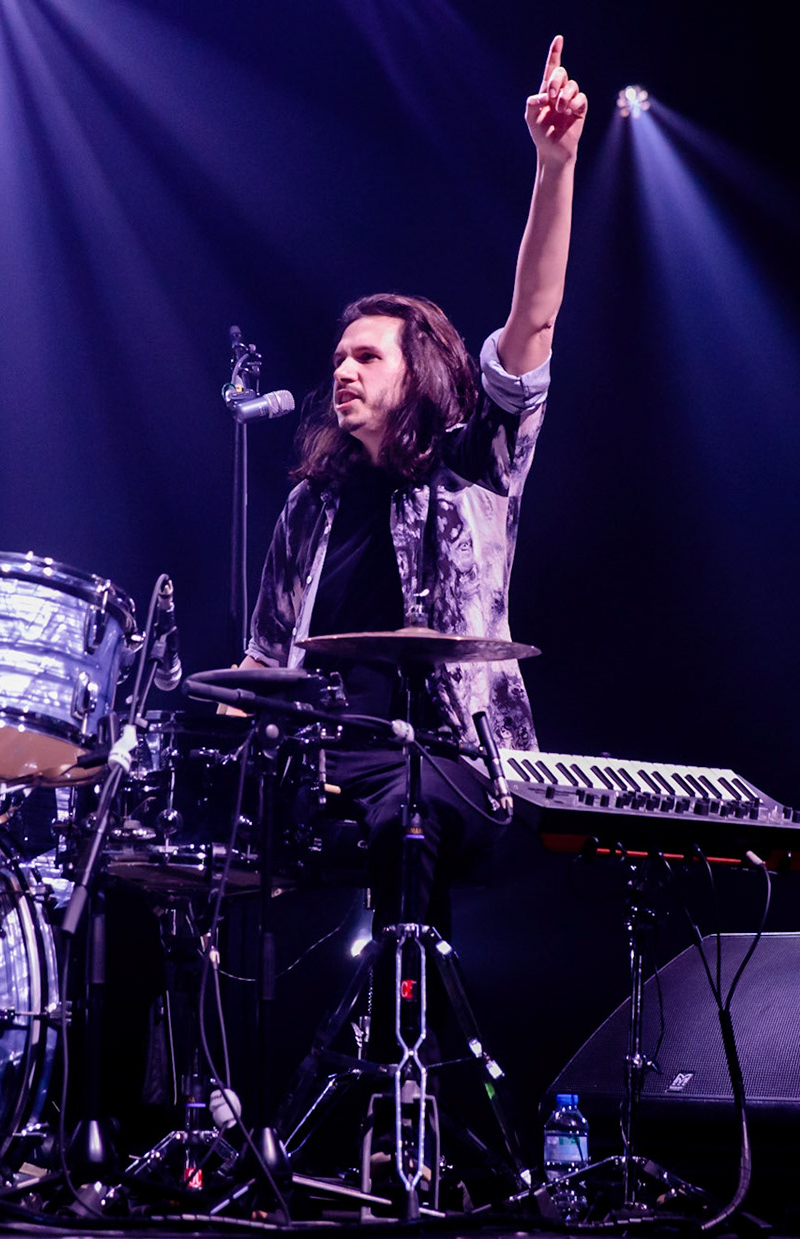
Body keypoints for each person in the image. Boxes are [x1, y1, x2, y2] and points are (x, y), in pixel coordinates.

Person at [240, 36, 587, 940]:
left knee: (413, 808)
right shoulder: (310, 508)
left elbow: (533, 321)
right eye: (337, 359)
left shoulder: (476, 468)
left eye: (366, 356)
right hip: (328, 761)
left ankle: (407, 1055)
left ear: (418, 371)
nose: (343, 372)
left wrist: (555, 167)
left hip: (461, 761)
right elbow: (266, 660)